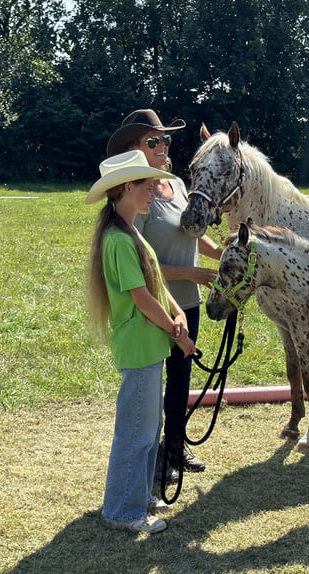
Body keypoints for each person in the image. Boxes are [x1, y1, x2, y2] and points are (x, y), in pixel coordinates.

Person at [107, 109, 221, 481]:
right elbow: (143, 262)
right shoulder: (136, 194)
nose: (162, 146)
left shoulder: (175, 184)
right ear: (133, 148)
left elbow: (189, 232)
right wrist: (193, 273)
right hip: (156, 309)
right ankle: (151, 457)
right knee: (151, 385)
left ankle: (174, 447)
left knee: (181, 379)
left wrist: (223, 254)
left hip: (186, 304)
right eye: (152, 141)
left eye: (165, 140)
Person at [86, 149, 196, 534]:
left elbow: (157, 285)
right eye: (147, 186)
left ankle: (137, 497)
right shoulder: (118, 239)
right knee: (136, 430)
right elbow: (141, 297)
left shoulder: (129, 232)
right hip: (140, 346)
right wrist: (175, 330)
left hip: (149, 345)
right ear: (127, 188)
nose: (154, 192)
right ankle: (123, 511)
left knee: (147, 428)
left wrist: (178, 315)